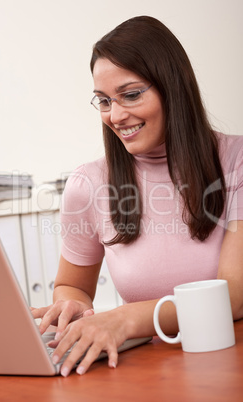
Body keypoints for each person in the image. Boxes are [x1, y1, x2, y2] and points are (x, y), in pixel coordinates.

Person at [32, 15, 243, 377]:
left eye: (131, 95)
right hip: (149, 373)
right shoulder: (89, 183)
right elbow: (71, 285)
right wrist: (72, 307)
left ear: (172, 87)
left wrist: (126, 319)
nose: (115, 115)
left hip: (229, 361)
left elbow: (233, 295)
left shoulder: (236, 161)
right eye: (103, 100)